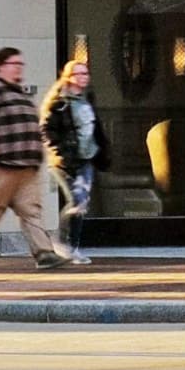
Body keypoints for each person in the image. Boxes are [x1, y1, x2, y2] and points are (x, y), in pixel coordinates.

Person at [0, 46, 77, 270]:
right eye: (14, 64)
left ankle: (44, 254)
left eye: (20, 64)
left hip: (26, 169)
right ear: (1, 66)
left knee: (32, 212)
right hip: (0, 167)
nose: (19, 68)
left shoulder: (20, 94)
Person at [39, 51, 110, 257]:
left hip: (85, 159)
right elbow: (46, 131)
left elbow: (94, 129)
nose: (83, 77)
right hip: (64, 161)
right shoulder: (59, 103)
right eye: (78, 74)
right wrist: (59, 153)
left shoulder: (86, 100)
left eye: (85, 73)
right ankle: (62, 241)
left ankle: (73, 246)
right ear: (68, 77)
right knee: (77, 200)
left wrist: (102, 151)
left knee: (81, 203)